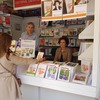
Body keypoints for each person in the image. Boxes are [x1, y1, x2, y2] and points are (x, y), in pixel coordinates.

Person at [0, 33, 43, 100]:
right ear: (6, 43)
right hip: (8, 82)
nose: (11, 43)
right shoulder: (9, 56)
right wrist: (36, 60)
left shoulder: (3, 54)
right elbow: (24, 61)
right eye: (10, 41)